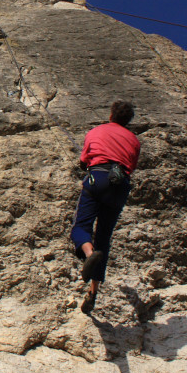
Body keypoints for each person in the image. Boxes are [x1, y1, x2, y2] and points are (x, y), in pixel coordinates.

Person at [70, 100, 141, 314]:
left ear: (111, 115)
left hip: (98, 176)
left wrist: (86, 163)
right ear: (128, 120)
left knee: (80, 227)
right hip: (120, 184)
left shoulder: (97, 131)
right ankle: (93, 292)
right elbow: (132, 165)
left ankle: (89, 253)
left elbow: (84, 159)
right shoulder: (134, 141)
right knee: (104, 237)